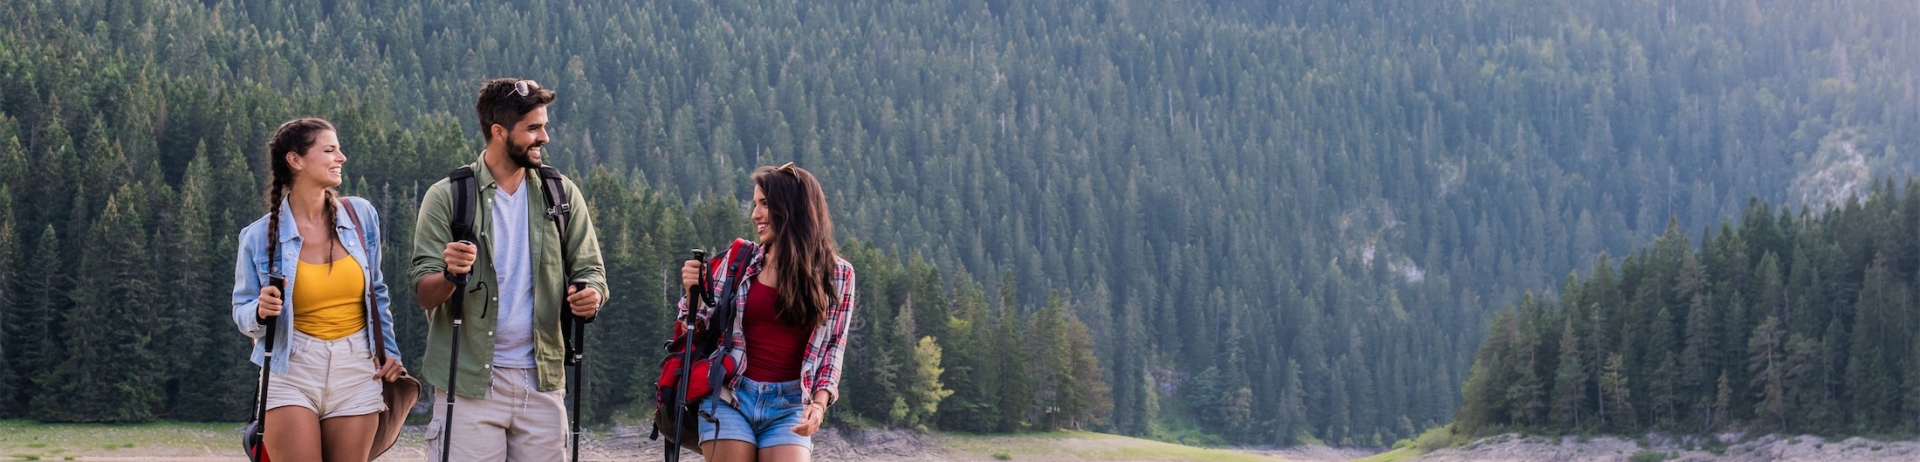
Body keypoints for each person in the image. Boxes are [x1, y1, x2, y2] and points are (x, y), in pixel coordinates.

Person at [409, 78, 608, 461]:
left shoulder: (562, 194)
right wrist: (450, 275)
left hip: (544, 382)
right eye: (533, 128)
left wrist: (591, 296)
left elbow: (591, 270)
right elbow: (423, 290)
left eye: (544, 125)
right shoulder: (448, 195)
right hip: (467, 384)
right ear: (498, 133)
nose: (544, 137)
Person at [231, 118, 406, 462]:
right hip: (290, 367)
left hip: (357, 367)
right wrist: (259, 311)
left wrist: (390, 351)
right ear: (295, 160)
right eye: (329, 150)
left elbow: (377, 292)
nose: (341, 157)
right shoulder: (257, 236)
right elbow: (242, 312)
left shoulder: (361, 216)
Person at [676, 163, 857, 462]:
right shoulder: (739, 261)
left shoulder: (838, 275)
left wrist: (819, 404)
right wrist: (691, 293)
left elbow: (833, 349)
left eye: (765, 205)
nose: (755, 215)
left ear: (792, 210)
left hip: (790, 405)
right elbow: (694, 326)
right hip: (729, 396)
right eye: (755, 204)